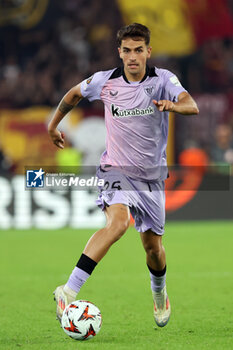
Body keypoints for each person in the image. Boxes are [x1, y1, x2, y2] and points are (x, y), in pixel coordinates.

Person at [48, 23, 199, 328]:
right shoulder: (105, 82)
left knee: (153, 249)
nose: (132, 57)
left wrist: (173, 106)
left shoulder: (163, 80)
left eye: (138, 50)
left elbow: (191, 105)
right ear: (119, 52)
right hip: (115, 169)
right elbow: (75, 94)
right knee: (117, 223)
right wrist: (53, 126)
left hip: (152, 177)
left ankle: (160, 296)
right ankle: (68, 289)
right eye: (127, 50)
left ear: (148, 52)